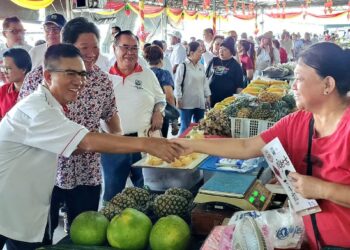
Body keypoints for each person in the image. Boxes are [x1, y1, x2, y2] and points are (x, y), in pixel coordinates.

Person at [0, 44, 182, 250]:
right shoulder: (38, 110)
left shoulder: (51, 106)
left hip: (20, 206)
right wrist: (147, 144)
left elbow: (77, 146)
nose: (79, 81)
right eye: (70, 73)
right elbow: (85, 142)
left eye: (82, 74)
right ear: (48, 76)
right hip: (6, 205)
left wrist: (114, 143)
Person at [175, 42, 350, 249]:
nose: (293, 85)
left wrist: (322, 189)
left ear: (327, 85)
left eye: (300, 78)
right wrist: (192, 145)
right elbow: (246, 147)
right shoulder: (297, 121)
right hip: (312, 240)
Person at [19, 17, 121, 239]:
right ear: (66, 48)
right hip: (45, 172)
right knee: (40, 235)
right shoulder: (39, 77)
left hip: (87, 171)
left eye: (95, 46)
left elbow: (111, 118)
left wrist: (114, 137)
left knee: (85, 234)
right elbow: (25, 126)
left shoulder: (102, 81)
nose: (92, 53)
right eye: (84, 48)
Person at [104, 30, 166, 203]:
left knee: (146, 190)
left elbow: (160, 98)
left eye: (134, 48)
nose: (130, 53)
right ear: (114, 48)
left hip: (143, 141)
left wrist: (158, 111)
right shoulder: (103, 75)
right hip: (113, 144)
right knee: (112, 192)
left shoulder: (147, 74)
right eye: (125, 47)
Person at [174, 41, 211, 134]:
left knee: (200, 127)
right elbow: (177, 84)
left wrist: (208, 96)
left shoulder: (201, 66)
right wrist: (178, 98)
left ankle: (196, 146)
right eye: (199, 51)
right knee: (185, 127)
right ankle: (180, 146)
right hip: (186, 103)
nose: (201, 54)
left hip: (200, 102)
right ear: (191, 53)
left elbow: (205, 83)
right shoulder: (183, 66)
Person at [144, 44, 178, 136]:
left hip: (144, 114)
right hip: (161, 114)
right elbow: (169, 97)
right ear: (161, 58)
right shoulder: (164, 74)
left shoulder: (142, 74)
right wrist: (174, 120)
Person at [206, 36, 244, 107]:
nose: (221, 51)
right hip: (211, 99)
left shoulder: (236, 66)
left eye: (225, 49)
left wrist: (237, 102)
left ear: (231, 52)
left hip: (227, 102)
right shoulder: (213, 61)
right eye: (220, 48)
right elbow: (205, 79)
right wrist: (206, 96)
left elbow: (239, 87)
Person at [0, 48, 31, 119]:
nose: (4, 72)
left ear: (23, 69)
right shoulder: (3, 90)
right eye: (3, 68)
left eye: (8, 68)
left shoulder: (35, 92)